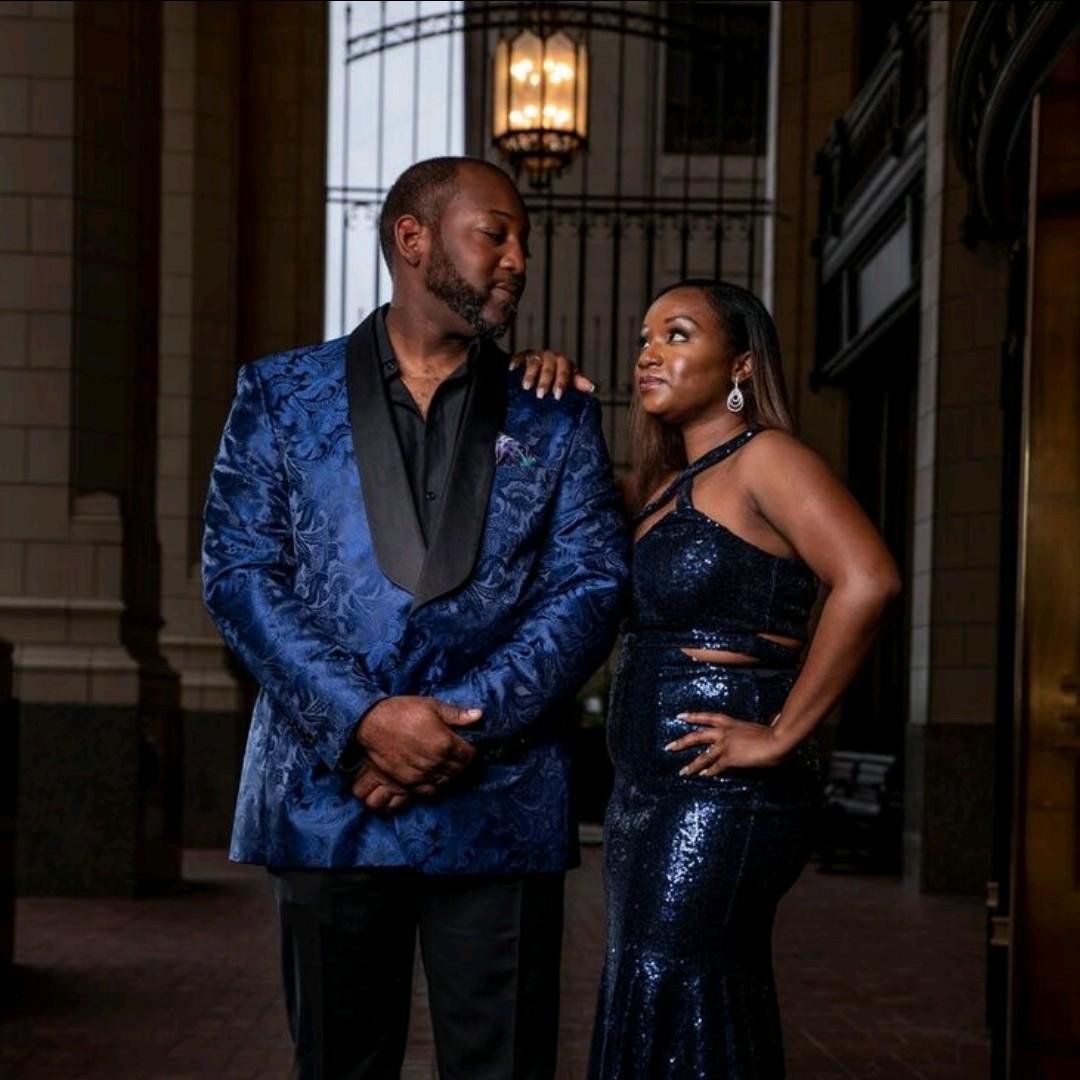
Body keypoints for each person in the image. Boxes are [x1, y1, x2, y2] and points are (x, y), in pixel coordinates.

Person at [202, 156, 629, 1080]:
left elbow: (591, 587)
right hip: (329, 795)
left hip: (500, 796)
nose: (518, 260)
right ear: (413, 238)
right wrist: (364, 721)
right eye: (495, 235)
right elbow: (240, 574)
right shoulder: (279, 394)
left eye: (524, 241)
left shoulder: (554, 414)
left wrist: (457, 729)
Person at [588, 280, 901, 1078]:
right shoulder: (662, 486)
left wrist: (782, 734)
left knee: (674, 976)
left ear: (740, 365)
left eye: (677, 334)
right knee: (661, 982)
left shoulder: (767, 458)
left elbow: (868, 580)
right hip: (644, 790)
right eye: (645, 338)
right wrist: (544, 387)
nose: (649, 352)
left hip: (722, 789)